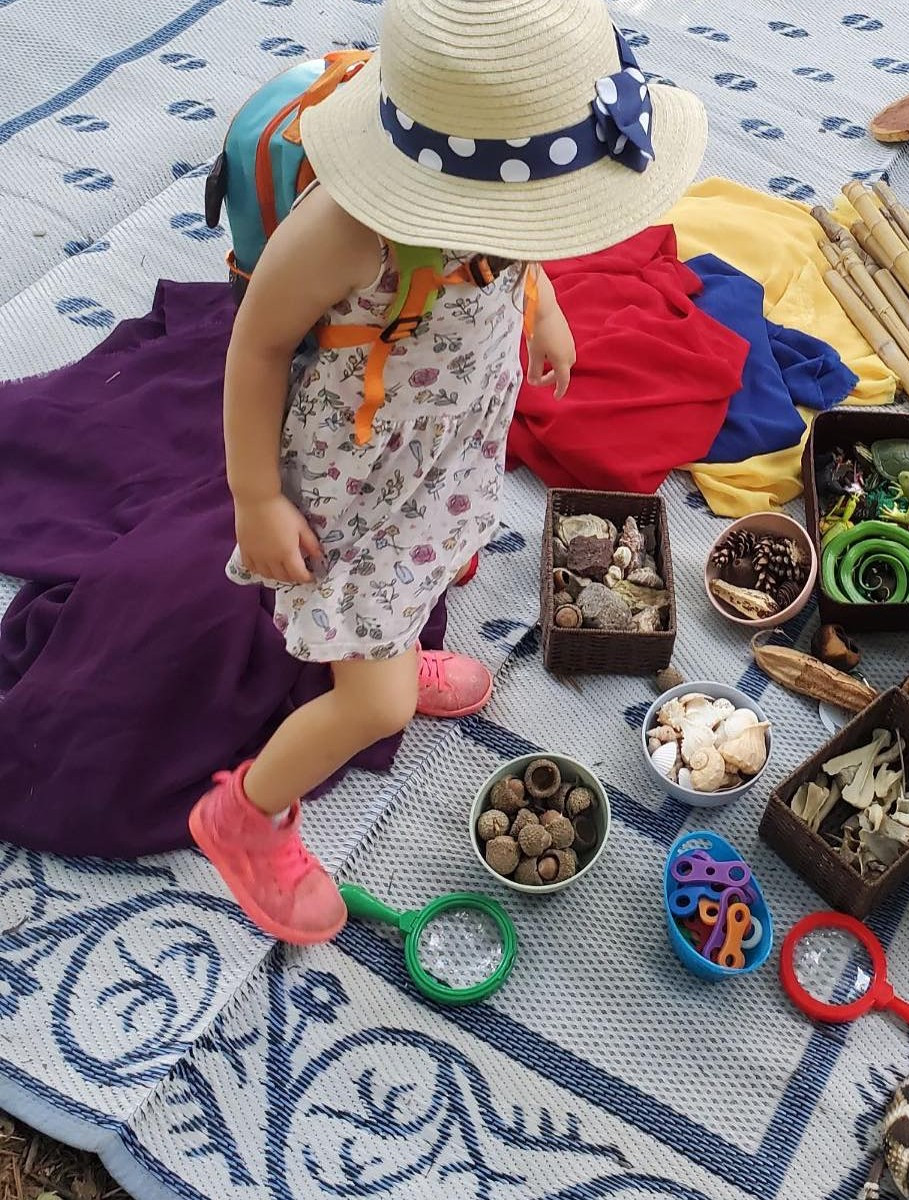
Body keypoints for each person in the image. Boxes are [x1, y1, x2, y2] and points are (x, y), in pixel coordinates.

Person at [190, 0, 706, 945]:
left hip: (443, 441)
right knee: (372, 705)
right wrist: (255, 498)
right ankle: (244, 816)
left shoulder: (502, 192)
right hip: (357, 474)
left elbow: (518, 229)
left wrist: (538, 304)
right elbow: (256, 347)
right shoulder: (345, 229)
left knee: (446, 547)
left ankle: (386, 641)